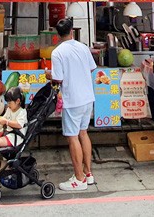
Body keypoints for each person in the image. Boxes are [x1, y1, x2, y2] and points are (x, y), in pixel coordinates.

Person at [49, 17, 97, 191]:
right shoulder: (83, 47)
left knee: (72, 137)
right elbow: (92, 68)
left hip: (73, 100)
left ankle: (79, 179)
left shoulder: (57, 52)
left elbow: (58, 79)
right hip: (87, 97)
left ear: (58, 34)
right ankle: (88, 173)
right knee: (83, 133)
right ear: (71, 31)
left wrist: (49, 76)